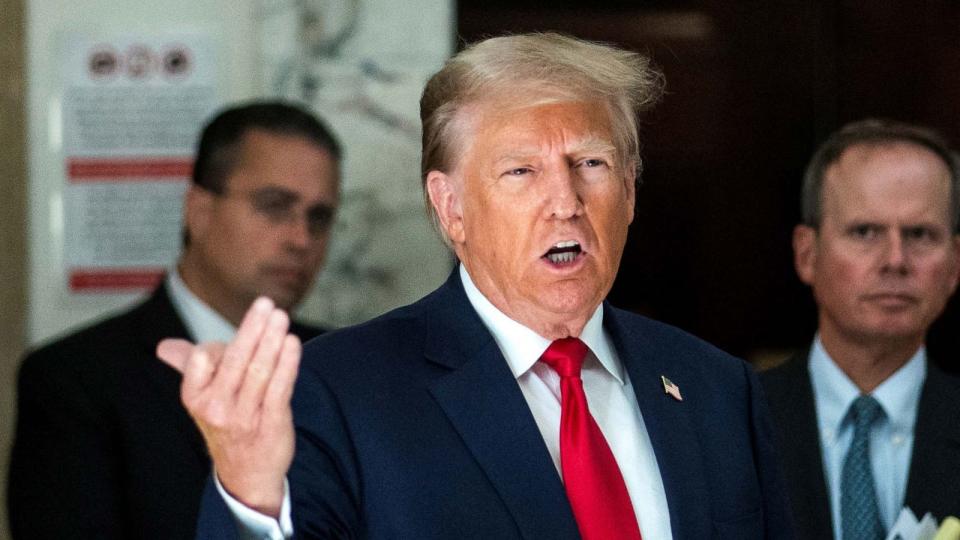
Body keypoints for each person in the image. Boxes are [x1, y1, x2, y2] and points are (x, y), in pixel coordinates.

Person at [160, 33, 794, 539]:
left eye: (591, 164)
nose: (565, 203)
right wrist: (250, 496)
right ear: (451, 207)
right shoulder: (339, 392)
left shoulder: (717, 389)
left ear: (629, 191)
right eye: (521, 170)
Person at [7, 101, 341, 539]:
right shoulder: (74, 380)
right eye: (274, 205)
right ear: (198, 211)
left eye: (319, 217)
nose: (301, 239)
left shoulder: (342, 365)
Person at [760, 119, 960, 539]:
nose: (895, 260)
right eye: (865, 232)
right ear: (806, 253)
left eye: (920, 234)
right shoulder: (735, 419)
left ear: (955, 264)